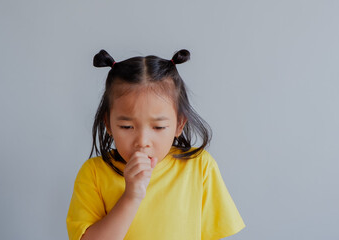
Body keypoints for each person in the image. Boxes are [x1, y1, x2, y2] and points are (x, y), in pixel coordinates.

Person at [66, 49, 245, 240]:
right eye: (127, 126)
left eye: (158, 127)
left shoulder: (200, 166)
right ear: (108, 124)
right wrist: (131, 196)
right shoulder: (93, 173)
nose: (142, 142)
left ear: (179, 125)